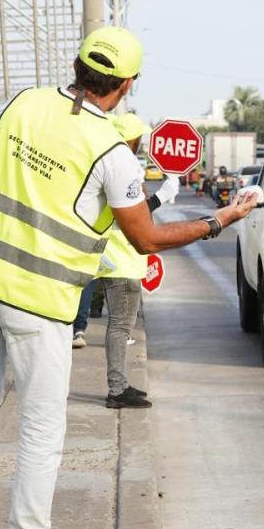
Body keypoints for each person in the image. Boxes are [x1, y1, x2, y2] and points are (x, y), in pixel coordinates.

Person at [0, 25, 257, 529]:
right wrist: (221, 219)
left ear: (77, 65)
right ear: (126, 84)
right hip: (37, 298)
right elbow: (145, 237)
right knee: (41, 430)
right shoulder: (113, 154)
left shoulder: (20, 103)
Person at [100, 112, 157, 410]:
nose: (141, 143)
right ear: (131, 139)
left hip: (120, 258)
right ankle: (117, 390)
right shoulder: (124, 166)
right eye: (139, 138)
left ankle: (120, 384)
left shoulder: (113, 163)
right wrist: (159, 200)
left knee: (121, 326)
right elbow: (136, 215)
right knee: (121, 326)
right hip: (122, 259)